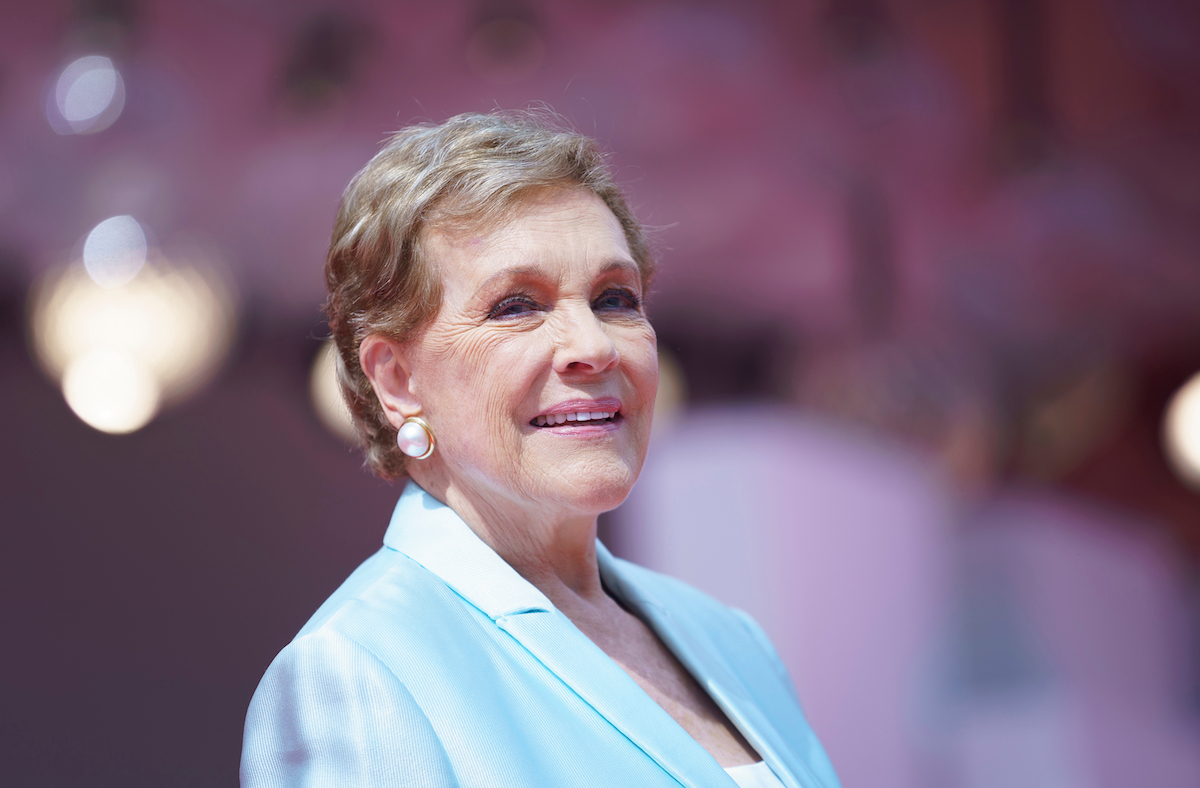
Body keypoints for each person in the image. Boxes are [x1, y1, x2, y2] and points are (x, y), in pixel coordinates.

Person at [241, 110, 842, 788]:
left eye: (615, 298)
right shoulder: (359, 671)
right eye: (516, 306)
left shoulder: (735, 644)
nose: (592, 346)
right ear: (397, 379)